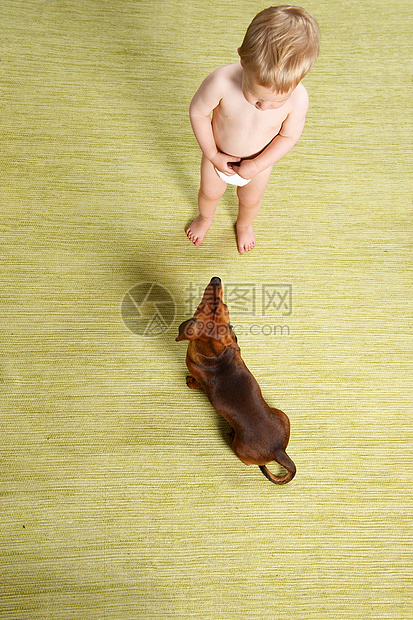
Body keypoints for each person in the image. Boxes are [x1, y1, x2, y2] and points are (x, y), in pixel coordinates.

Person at [186, 5, 320, 253]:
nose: (264, 107)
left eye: (277, 101)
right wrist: (213, 154)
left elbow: (288, 135)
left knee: (250, 201)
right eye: (256, 95)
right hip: (218, 156)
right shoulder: (221, 82)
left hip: (259, 165)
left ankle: (245, 224)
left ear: (299, 79)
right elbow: (198, 112)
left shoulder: (298, 98)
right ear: (243, 59)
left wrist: (257, 165)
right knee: (208, 194)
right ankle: (205, 219)